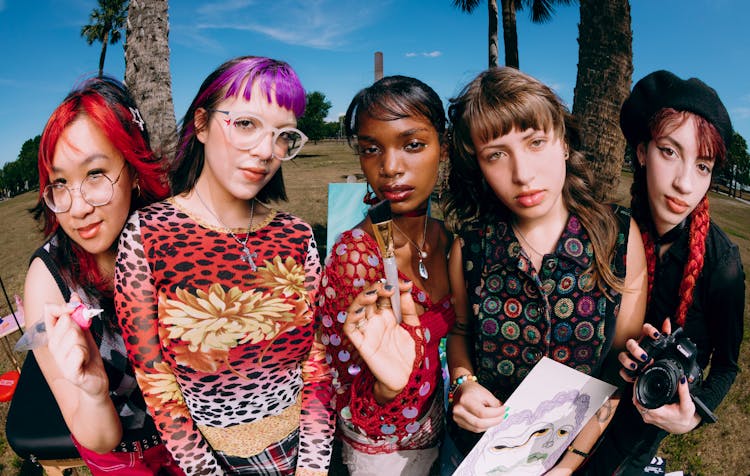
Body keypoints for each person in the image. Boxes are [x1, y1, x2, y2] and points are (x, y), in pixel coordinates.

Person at [113, 56, 333, 475]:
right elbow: (155, 379)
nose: (267, 151)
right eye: (247, 124)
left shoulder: (298, 236)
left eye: (283, 135)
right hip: (211, 464)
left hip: (307, 454)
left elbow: (316, 362)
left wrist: (314, 466)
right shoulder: (147, 236)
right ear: (201, 124)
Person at [442, 67, 648, 474]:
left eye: (536, 142)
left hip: (582, 456)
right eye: (496, 154)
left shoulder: (618, 238)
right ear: (479, 166)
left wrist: (567, 465)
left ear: (564, 143)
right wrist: (462, 386)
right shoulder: (471, 247)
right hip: (480, 456)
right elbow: (460, 332)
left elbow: (619, 368)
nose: (522, 174)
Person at [580, 70, 745, 475]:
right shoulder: (608, 232)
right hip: (583, 402)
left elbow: (725, 366)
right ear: (641, 151)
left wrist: (692, 417)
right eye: (670, 152)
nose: (685, 183)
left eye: (703, 166)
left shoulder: (721, 263)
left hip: (643, 422)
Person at [23, 76, 183, 475]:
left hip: (194, 438)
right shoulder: (48, 282)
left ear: (132, 170)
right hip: (119, 455)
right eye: (60, 183)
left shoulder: (175, 239)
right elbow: (94, 433)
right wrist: (93, 391)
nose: (76, 209)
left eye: (95, 173)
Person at [316, 75, 455, 475]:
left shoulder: (448, 239)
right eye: (371, 149)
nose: (390, 167)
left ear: (442, 149)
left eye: (412, 145)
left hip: (445, 437)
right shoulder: (356, 256)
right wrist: (390, 387)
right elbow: (346, 390)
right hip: (384, 455)